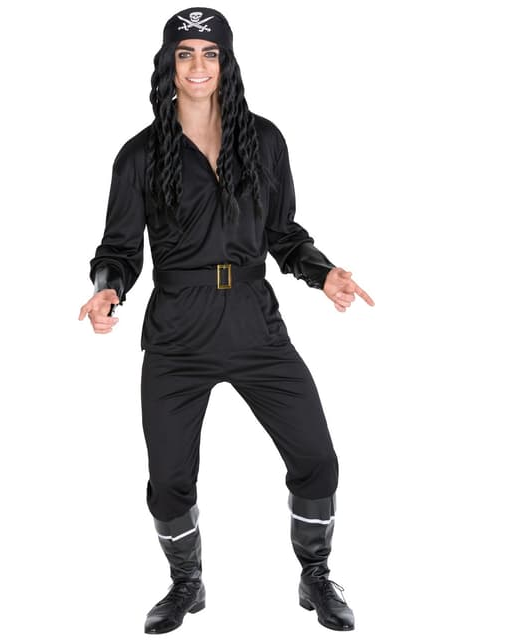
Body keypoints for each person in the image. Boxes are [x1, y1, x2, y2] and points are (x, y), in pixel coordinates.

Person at [78, 6, 375, 634]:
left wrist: (323, 273)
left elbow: (283, 233)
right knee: (169, 481)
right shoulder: (139, 155)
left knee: (317, 458)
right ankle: (186, 582)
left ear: (227, 62)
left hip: (253, 323)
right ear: (168, 63)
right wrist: (107, 289)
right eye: (185, 53)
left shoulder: (263, 141)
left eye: (210, 53)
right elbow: (118, 249)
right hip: (177, 332)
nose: (198, 65)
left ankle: (315, 573)